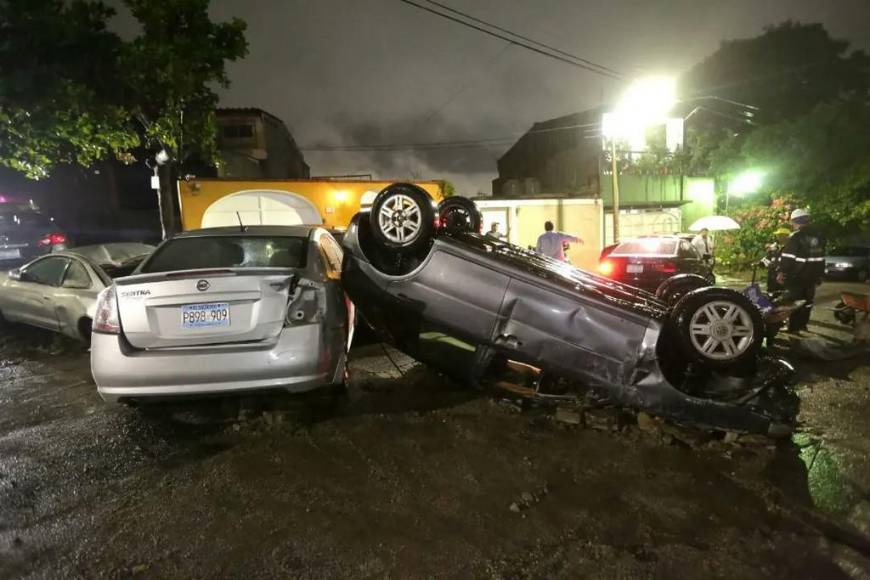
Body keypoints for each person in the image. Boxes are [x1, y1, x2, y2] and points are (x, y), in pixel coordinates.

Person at [777, 208, 827, 334]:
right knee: (807, 303)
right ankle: (802, 326)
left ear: (796, 222)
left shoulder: (796, 237)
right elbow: (821, 258)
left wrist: (781, 272)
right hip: (812, 278)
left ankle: (793, 328)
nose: (792, 225)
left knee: (793, 303)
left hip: (797, 277)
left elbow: (788, 257)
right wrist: (820, 275)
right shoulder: (819, 237)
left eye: (793, 222)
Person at [762, 228, 791, 294]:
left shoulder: (790, 248)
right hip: (772, 279)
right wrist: (763, 262)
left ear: (786, 236)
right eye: (777, 235)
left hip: (783, 279)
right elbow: (767, 259)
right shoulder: (774, 248)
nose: (778, 237)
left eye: (780, 235)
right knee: (770, 297)